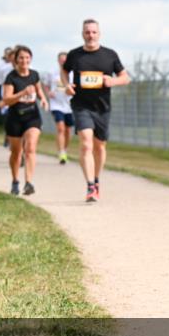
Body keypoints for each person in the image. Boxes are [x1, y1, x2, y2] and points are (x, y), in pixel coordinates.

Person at [61, 19, 130, 202]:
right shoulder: (75, 55)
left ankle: (97, 180)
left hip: (102, 107)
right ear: (82, 34)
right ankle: (90, 185)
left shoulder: (109, 55)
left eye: (93, 32)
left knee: (99, 147)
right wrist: (67, 85)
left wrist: (112, 81)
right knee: (86, 144)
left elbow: (125, 77)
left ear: (99, 34)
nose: (90, 35)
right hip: (81, 105)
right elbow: (64, 71)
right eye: (87, 32)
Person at [2, 45, 48, 195]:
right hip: (15, 118)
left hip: (32, 116)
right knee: (16, 152)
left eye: (27, 57)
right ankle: (15, 181)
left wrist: (43, 100)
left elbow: (39, 89)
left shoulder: (34, 74)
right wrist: (22, 93)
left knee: (31, 147)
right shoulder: (11, 77)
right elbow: (7, 100)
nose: (24, 60)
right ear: (16, 60)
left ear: (31, 59)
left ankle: (28, 182)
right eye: (21, 57)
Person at [43, 51, 74, 164]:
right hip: (56, 104)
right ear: (58, 61)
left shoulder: (72, 73)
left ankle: (65, 150)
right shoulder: (51, 72)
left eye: (65, 60)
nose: (63, 62)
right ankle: (61, 152)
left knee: (68, 130)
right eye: (61, 60)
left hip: (69, 105)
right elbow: (45, 85)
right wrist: (48, 93)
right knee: (60, 128)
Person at [0, 47, 15, 147]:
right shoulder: (2, 68)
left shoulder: (27, 68)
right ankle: (9, 138)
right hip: (7, 100)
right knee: (9, 121)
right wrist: (0, 99)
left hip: (21, 102)